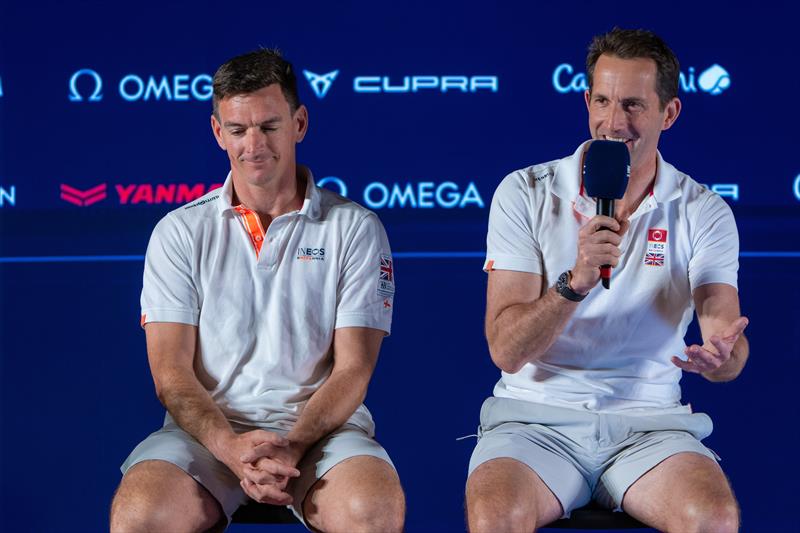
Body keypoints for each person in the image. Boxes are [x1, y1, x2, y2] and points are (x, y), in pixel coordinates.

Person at [109, 49, 405, 533]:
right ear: (217, 132)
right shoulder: (179, 231)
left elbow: (354, 369)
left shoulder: (354, 228)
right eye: (238, 129)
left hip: (322, 433)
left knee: (372, 512)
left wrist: (291, 443)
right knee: (140, 516)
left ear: (300, 123)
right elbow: (170, 371)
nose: (254, 144)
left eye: (269, 126)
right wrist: (230, 447)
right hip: (205, 434)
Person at [465, 28, 748, 532]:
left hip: (651, 425)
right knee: (495, 515)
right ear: (586, 101)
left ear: (670, 113)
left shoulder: (704, 210)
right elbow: (506, 351)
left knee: (714, 518)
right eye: (602, 100)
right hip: (535, 419)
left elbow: (724, 334)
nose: (614, 123)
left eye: (634, 105)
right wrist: (574, 282)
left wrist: (724, 356)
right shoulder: (524, 192)